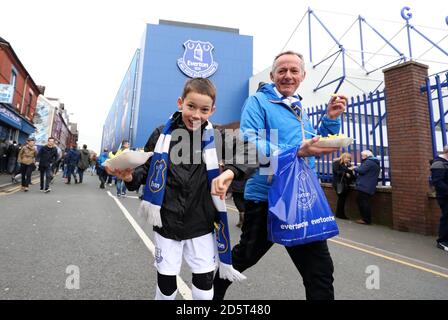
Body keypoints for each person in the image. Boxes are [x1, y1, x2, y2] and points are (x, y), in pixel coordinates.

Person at [213, 51, 347, 300]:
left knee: (320, 271)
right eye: (282, 71)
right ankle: (210, 291)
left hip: (300, 198)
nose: (288, 76)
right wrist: (295, 150)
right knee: (246, 256)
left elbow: (311, 147)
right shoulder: (258, 102)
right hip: (266, 197)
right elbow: (249, 142)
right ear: (273, 75)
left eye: (294, 71)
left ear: (303, 76)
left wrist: (330, 120)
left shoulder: (299, 108)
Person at [107, 78, 254, 300]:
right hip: (167, 222)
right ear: (180, 103)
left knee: (204, 287)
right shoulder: (160, 134)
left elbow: (251, 152)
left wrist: (230, 172)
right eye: (191, 106)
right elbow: (145, 170)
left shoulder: (219, 136)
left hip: (202, 223)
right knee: (167, 287)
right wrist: (130, 176)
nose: (196, 115)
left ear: (212, 110)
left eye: (204, 109)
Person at [352, 150, 381, 225]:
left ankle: (366, 220)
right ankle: (365, 219)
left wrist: (354, 168)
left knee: (363, 203)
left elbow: (361, 170)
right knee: (363, 202)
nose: (362, 157)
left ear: (367, 155)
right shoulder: (374, 162)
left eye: (362, 155)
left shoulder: (369, 162)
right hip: (369, 186)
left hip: (364, 186)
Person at [430, 145, 448, 252]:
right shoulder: (438, 163)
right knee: (446, 217)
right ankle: (442, 241)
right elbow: (437, 182)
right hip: (444, 196)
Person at [332, 152, 355, 220]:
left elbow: (351, 175)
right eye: (347, 158)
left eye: (349, 158)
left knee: (342, 199)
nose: (348, 160)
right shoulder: (337, 162)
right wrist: (347, 171)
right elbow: (336, 172)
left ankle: (339, 213)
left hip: (345, 184)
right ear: (343, 157)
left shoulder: (348, 164)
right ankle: (340, 214)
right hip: (339, 183)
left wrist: (350, 171)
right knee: (341, 199)